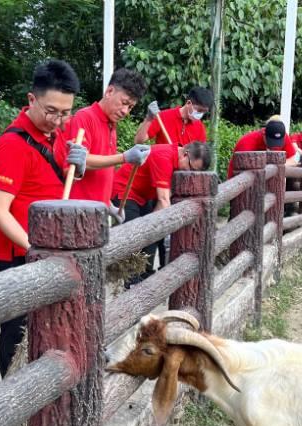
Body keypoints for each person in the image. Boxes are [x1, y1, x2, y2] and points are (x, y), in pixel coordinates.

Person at [0, 59, 85, 377]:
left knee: (44, 328)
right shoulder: (12, 145)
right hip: (21, 254)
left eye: (65, 112)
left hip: (45, 252)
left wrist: (79, 165)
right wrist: (34, 247)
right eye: (51, 111)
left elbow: (57, 179)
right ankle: (12, 397)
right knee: (16, 333)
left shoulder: (53, 137)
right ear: (32, 99)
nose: (58, 120)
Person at [111, 141, 212, 281]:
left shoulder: (178, 161)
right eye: (190, 168)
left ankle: (144, 275)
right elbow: (164, 201)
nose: (189, 174)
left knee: (151, 237)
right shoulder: (164, 158)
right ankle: (132, 281)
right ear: (185, 154)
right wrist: (157, 228)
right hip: (125, 191)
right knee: (136, 238)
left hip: (144, 196)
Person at [63, 68, 149, 213]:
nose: (125, 111)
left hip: (99, 210)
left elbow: (102, 171)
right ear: (109, 92)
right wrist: (124, 157)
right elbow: (81, 161)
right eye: (124, 102)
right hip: (80, 210)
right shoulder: (85, 117)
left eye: (130, 107)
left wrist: (109, 206)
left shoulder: (111, 125)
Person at [134, 86, 213, 146]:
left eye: (204, 112)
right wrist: (148, 119)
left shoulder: (199, 127)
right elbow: (138, 141)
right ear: (189, 103)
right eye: (199, 110)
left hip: (184, 168)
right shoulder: (163, 116)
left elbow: (200, 157)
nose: (200, 114)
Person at [227, 118, 299, 179]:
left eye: (277, 142)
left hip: (266, 182)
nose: (274, 147)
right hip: (240, 182)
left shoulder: (283, 137)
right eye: (271, 142)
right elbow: (242, 170)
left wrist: (276, 166)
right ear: (264, 133)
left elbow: (295, 159)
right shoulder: (247, 141)